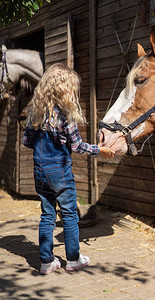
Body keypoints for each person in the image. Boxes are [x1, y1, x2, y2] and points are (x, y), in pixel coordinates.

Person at [23, 63, 115, 275]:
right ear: (65, 89)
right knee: (69, 214)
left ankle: (46, 261)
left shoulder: (35, 113)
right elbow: (77, 146)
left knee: (47, 215)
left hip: (39, 171)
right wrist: (99, 150)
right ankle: (73, 258)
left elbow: (27, 141)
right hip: (60, 173)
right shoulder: (64, 115)